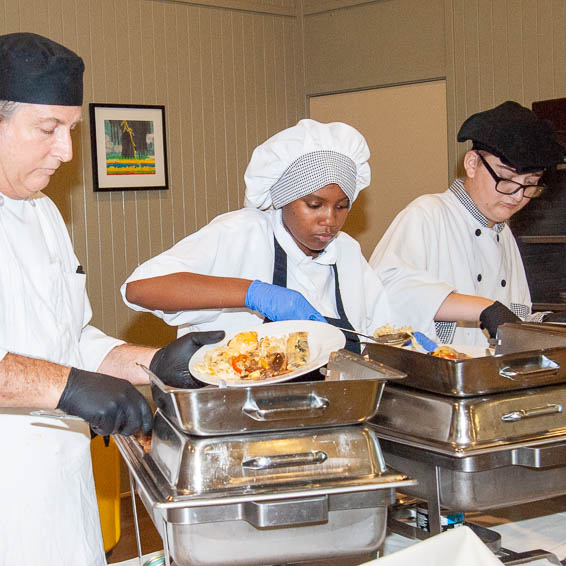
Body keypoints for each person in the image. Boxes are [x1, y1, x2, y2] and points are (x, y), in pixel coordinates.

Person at [0, 32, 223, 566]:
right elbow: (62, 372)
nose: (68, 151)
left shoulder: (43, 213)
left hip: (60, 493)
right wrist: (69, 387)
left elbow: (69, 337)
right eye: (48, 129)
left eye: (72, 130)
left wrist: (153, 363)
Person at [122, 119, 393, 356]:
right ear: (284, 199)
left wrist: (403, 349)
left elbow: (377, 334)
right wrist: (254, 294)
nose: (330, 220)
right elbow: (140, 289)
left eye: (342, 206)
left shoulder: (346, 252)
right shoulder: (243, 233)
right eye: (314, 205)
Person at [369, 101, 564, 346]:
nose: (517, 196)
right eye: (506, 178)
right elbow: (387, 293)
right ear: (472, 164)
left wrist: (547, 322)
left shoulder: (504, 234)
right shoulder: (428, 214)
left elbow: (512, 320)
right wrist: (483, 308)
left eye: (530, 183)